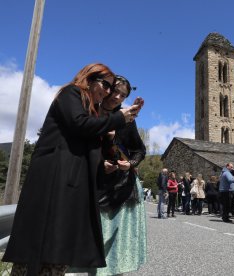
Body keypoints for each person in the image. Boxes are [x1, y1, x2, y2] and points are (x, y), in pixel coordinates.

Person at [2, 63, 139, 275]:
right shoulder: (72, 93)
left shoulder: (92, 109)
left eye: (112, 89)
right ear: (90, 78)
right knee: (41, 247)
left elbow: (87, 145)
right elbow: (79, 125)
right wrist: (119, 118)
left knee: (59, 248)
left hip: (71, 184)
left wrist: (104, 165)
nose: (108, 92)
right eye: (106, 85)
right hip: (54, 181)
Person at [84, 74, 147, 275]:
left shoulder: (127, 119)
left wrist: (129, 164)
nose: (118, 97)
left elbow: (139, 150)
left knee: (117, 246)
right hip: (97, 185)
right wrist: (99, 162)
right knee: (96, 240)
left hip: (123, 187)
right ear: (106, 88)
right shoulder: (89, 112)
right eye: (116, 91)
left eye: (123, 95)